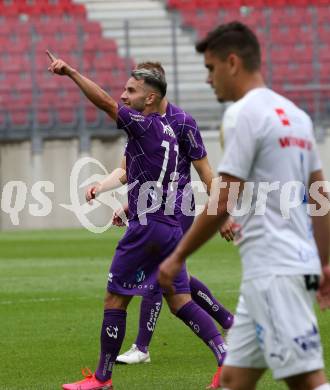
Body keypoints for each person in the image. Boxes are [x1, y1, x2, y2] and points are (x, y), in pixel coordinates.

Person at [158, 21, 330, 390]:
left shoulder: (243, 114)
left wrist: (177, 258)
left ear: (232, 62)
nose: (208, 79)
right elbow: (320, 198)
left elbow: (224, 197)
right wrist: (326, 261)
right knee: (233, 381)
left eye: (210, 68)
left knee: (308, 381)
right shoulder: (297, 117)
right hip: (276, 271)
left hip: (274, 271)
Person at [47, 52, 228, 390]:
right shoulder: (167, 132)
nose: (123, 96)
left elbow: (103, 102)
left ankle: (102, 378)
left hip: (148, 228)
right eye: (125, 90)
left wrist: (72, 72)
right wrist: (129, 204)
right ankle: (225, 356)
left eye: (131, 91)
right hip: (170, 224)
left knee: (115, 298)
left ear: (150, 97)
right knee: (179, 301)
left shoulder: (143, 123)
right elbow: (156, 178)